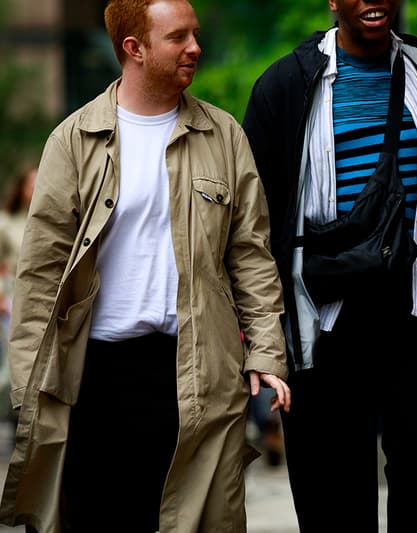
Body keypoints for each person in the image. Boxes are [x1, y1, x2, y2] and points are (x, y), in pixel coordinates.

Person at [0, 1, 291, 531]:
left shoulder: (223, 135)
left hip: (197, 370)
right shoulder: (74, 140)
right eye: (178, 37)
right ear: (134, 48)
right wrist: (28, 386)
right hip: (96, 376)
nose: (195, 47)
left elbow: (250, 254)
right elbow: (41, 272)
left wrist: (267, 351)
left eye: (195, 34)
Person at [242, 0, 417, 531]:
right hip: (326, 321)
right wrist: (262, 329)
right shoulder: (285, 85)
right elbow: (255, 218)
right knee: (332, 497)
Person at [0, 163, 37, 431]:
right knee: (10, 361)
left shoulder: (47, 218)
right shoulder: (6, 222)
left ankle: (25, 419)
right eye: (31, 184)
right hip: (12, 294)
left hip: (38, 296)